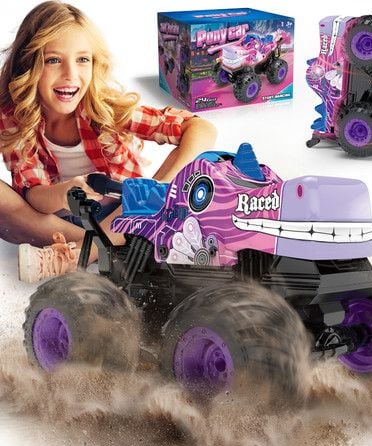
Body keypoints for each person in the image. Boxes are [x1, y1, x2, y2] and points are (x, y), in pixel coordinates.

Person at [0, 1, 217, 282]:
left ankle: (81, 254)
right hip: (57, 219)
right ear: (28, 65)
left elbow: (201, 128)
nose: (70, 75)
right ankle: (110, 247)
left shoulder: (105, 107)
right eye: (53, 60)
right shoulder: (15, 117)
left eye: (83, 60)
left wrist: (159, 189)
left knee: (193, 175)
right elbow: (34, 196)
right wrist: (63, 193)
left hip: (122, 212)